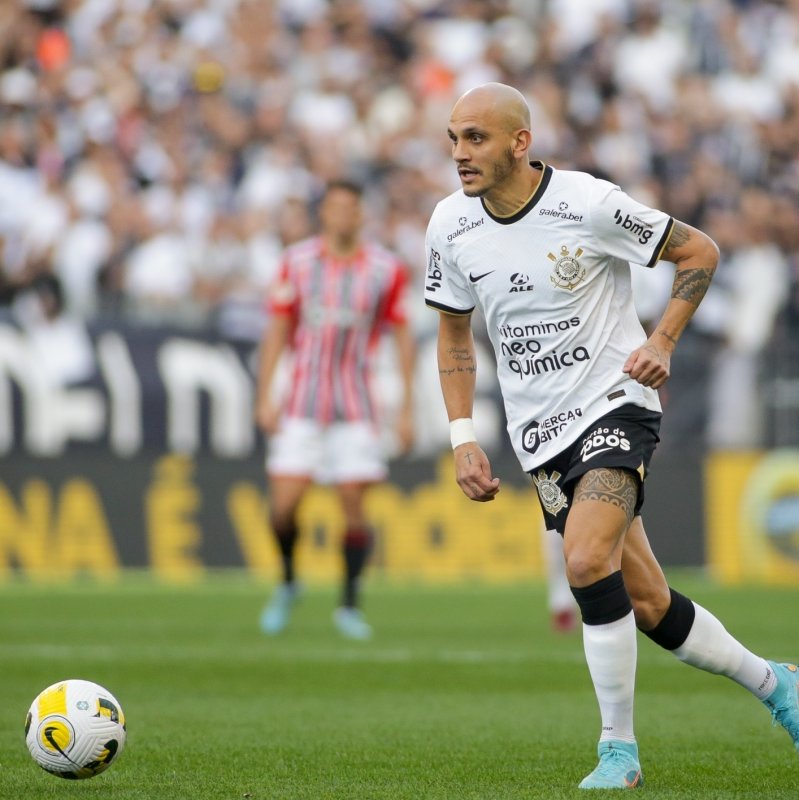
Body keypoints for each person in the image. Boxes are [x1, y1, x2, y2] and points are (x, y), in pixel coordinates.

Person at [424, 82, 798, 789]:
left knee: (585, 559)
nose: (459, 153)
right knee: (650, 604)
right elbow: (453, 339)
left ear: (519, 143)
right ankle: (777, 685)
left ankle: (617, 751)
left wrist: (660, 339)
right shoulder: (448, 224)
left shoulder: (587, 203)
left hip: (614, 405)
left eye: (474, 138)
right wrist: (461, 435)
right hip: (538, 434)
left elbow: (700, 252)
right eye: (452, 138)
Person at [255, 179, 415, 641]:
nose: (343, 216)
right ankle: (288, 581)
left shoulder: (385, 270)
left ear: (361, 214)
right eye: (335, 208)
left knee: (352, 504)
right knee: (283, 507)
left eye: (351, 207)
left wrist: (406, 407)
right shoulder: (297, 262)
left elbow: (402, 335)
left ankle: (348, 605)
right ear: (323, 214)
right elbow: (278, 330)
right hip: (303, 401)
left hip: (356, 403)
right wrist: (264, 394)